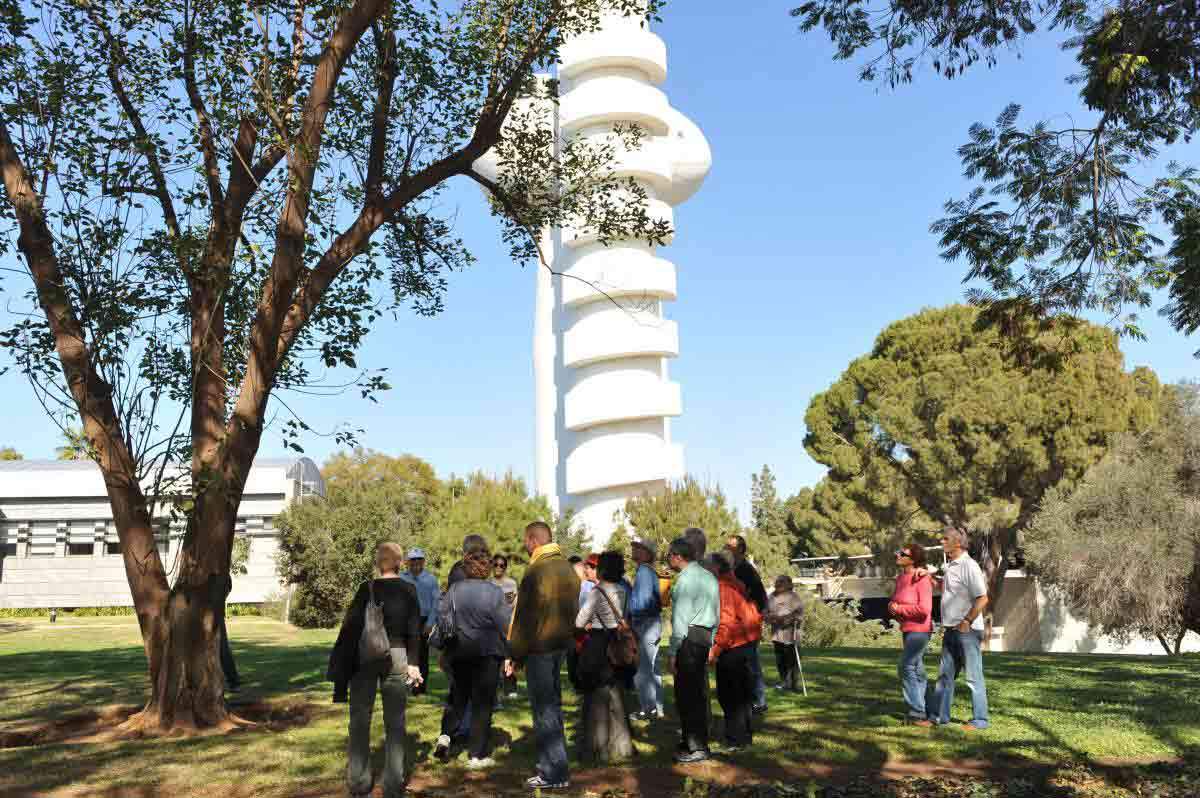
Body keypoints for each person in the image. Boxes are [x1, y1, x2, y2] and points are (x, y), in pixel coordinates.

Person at [327, 542, 424, 798]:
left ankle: (358, 782)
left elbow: (350, 629)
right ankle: (393, 785)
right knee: (395, 722)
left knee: (360, 720)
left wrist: (342, 668)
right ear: (400, 563)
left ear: (377, 563)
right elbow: (415, 630)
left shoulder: (365, 589)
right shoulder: (409, 590)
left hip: (365, 657)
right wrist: (414, 663)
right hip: (398, 655)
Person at [505, 521, 580, 790]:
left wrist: (514, 654)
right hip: (561, 645)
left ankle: (554, 773)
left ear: (533, 540)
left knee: (544, 710)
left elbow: (526, 619)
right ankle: (556, 768)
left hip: (540, 648)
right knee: (554, 706)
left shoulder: (537, 570)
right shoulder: (568, 568)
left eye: (526, 541)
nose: (524, 546)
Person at [433, 544, 510, 769]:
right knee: (482, 704)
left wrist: (443, 652)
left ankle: (445, 737)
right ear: (486, 568)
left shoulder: (454, 591)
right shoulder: (494, 592)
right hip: (487, 654)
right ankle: (476, 755)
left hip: (458, 653)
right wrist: (511, 654)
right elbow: (505, 626)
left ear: (466, 567)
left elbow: (442, 620)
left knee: (458, 699)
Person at [922, 526, 989, 730]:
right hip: (951, 630)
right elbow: (948, 590)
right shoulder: (951, 566)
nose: (941, 542)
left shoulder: (969, 566)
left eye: (945, 539)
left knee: (973, 678)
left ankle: (980, 720)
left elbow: (983, 598)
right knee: (944, 677)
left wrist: (967, 620)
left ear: (958, 543)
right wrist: (929, 577)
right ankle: (939, 717)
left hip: (967, 631)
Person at [573, 550, 634, 762]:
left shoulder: (597, 592)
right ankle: (622, 746)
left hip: (599, 644)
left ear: (603, 570)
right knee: (616, 695)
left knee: (596, 697)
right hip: (617, 644)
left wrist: (587, 624)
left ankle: (597, 748)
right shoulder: (624, 590)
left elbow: (580, 622)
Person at [664, 536, 719, 763]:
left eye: (669, 555)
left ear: (677, 556)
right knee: (696, 692)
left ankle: (696, 746)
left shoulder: (685, 581)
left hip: (689, 636)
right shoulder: (708, 576)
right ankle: (692, 741)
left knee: (688, 694)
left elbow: (680, 620)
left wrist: (673, 651)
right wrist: (712, 641)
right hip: (704, 636)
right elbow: (716, 613)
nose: (668, 559)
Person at [706, 553, 761, 752]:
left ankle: (735, 740)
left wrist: (716, 649)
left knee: (730, 695)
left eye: (707, 566)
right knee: (743, 695)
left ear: (715, 569)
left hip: (734, 646)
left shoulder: (722, 588)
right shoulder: (735, 584)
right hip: (745, 643)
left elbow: (726, 622)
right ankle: (744, 737)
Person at [889, 543, 933, 723]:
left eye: (902, 553)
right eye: (898, 552)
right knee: (918, 669)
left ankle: (917, 711)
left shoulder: (922, 579)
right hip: (907, 629)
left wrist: (900, 609)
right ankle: (925, 707)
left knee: (905, 666)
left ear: (913, 559)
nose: (897, 555)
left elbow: (924, 609)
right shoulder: (901, 578)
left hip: (920, 630)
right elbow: (895, 601)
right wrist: (892, 607)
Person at [725, 535, 768, 714]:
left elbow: (760, 596)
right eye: (725, 546)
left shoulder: (746, 570)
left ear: (741, 550)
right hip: (737, 623)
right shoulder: (731, 569)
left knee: (752, 663)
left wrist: (755, 615)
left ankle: (759, 700)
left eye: (730, 547)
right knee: (744, 663)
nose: (726, 549)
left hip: (749, 622)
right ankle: (748, 697)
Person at [627, 536, 664, 721]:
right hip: (653, 622)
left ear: (646, 553)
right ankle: (657, 707)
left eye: (638, 548)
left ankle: (648, 708)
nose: (634, 550)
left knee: (643, 670)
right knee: (652, 667)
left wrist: (630, 620)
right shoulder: (649, 571)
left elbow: (640, 603)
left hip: (645, 623)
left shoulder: (643, 570)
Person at [400, 547, 440, 696]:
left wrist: (430, 623)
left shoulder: (431, 579)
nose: (416, 563)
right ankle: (406, 685)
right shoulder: (402, 578)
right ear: (407, 562)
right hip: (406, 619)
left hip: (423, 620)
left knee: (422, 655)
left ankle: (420, 688)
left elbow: (436, 603)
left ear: (423, 562)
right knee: (405, 653)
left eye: (419, 560)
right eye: (413, 560)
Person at [766, 575, 805, 691]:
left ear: (788, 584)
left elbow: (799, 613)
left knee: (792, 661)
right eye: (777, 582)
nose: (777, 584)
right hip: (777, 635)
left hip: (791, 634)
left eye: (781, 582)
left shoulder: (793, 597)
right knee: (780, 660)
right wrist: (771, 617)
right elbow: (765, 613)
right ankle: (784, 682)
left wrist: (787, 618)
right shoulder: (771, 597)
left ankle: (794, 684)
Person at [492, 553, 519, 700]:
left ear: (505, 567)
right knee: (496, 659)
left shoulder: (511, 584)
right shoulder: (488, 583)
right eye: (495, 564)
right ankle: (497, 689)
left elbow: (515, 605)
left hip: (508, 625)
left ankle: (511, 688)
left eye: (501, 565)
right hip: (493, 627)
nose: (498, 567)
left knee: (510, 657)